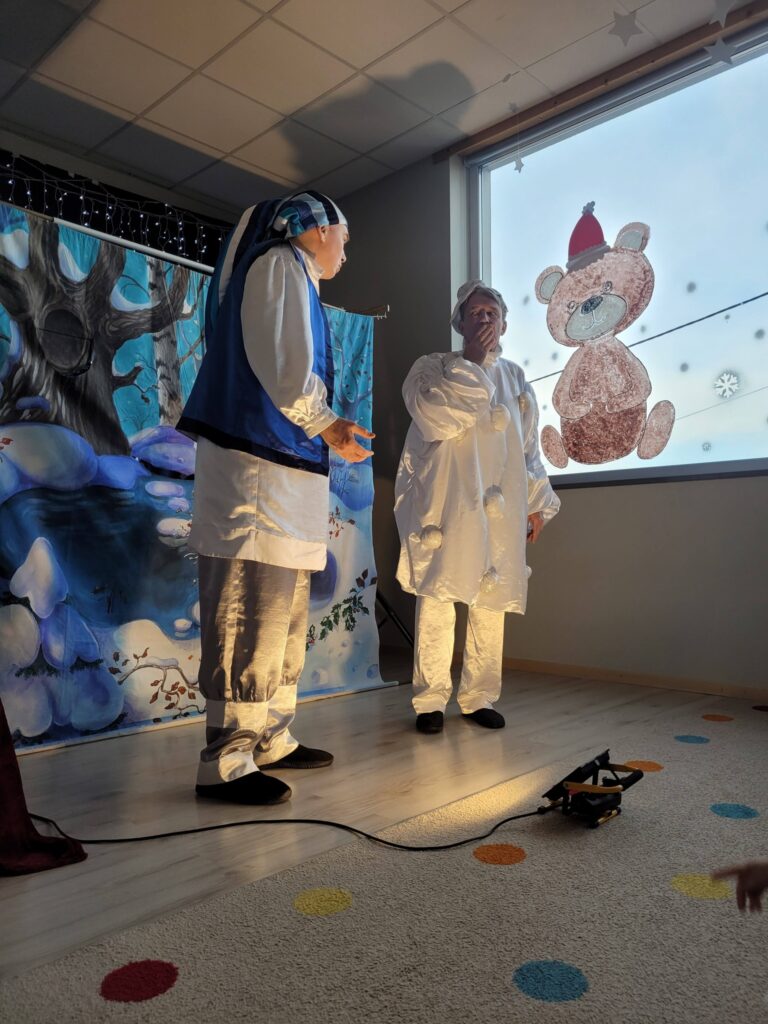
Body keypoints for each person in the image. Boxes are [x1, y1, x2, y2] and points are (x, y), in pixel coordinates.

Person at [177, 192, 373, 805]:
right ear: (317, 230)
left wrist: (324, 430)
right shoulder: (278, 265)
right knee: (248, 612)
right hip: (255, 478)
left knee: (282, 617)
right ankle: (227, 760)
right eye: (344, 237)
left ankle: (271, 737)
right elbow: (284, 367)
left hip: (284, 476)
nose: (346, 251)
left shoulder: (300, 279)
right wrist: (329, 423)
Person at [394, 280, 560, 734]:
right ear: (460, 323)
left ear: (504, 325)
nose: (485, 319)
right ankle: (429, 700)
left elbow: (527, 448)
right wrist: (470, 363)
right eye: (476, 313)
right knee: (437, 597)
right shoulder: (433, 366)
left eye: (492, 314)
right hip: (446, 503)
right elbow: (434, 417)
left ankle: (479, 696)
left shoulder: (516, 378)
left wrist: (536, 505)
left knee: (491, 599)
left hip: (498, 509)